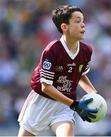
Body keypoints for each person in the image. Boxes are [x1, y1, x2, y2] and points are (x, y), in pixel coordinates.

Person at [18, 5, 98, 137]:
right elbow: (46, 87)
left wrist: (94, 94)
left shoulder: (86, 51)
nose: (83, 25)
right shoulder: (52, 50)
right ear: (64, 27)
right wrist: (75, 105)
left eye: (83, 21)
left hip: (64, 106)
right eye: (77, 21)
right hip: (41, 102)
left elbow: (80, 74)